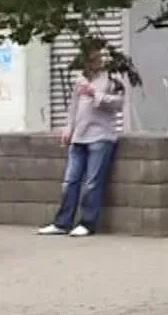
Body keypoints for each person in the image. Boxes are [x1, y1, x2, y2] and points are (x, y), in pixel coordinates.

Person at [38, 44, 126, 237]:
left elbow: (118, 103)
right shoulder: (82, 78)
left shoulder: (112, 79)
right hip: (79, 136)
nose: (93, 62)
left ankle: (87, 222)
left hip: (101, 135)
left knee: (92, 183)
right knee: (70, 181)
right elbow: (74, 105)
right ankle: (62, 222)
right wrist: (69, 127)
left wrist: (95, 94)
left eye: (96, 58)